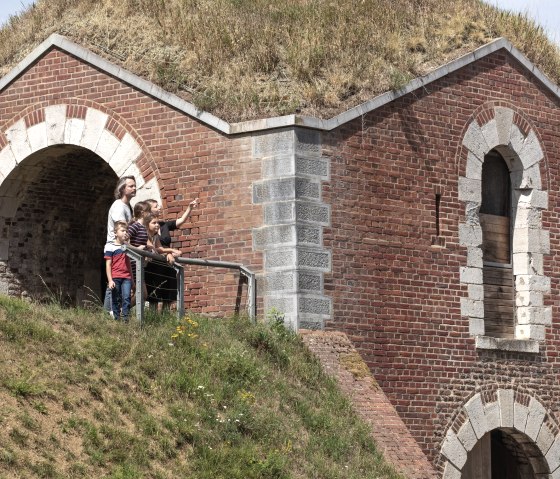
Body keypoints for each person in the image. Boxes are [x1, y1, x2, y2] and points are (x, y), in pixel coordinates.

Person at [145, 198, 199, 309]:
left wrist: (189, 208)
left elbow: (181, 220)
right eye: (156, 206)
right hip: (155, 265)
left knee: (168, 294)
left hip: (168, 264)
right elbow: (154, 246)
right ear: (149, 210)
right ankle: (152, 319)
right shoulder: (147, 227)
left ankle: (165, 319)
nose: (159, 207)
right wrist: (170, 252)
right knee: (154, 295)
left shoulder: (163, 225)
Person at [103, 176, 136, 312]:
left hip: (123, 248)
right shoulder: (118, 206)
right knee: (115, 281)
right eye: (131, 186)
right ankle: (108, 312)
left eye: (135, 186)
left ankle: (116, 311)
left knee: (122, 281)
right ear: (122, 189)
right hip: (115, 248)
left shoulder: (127, 206)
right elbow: (121, 229)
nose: (134, 188)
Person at [104, 221, 133, 322]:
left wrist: (132, 278)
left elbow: (129, 263)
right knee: (116, 298)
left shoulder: (127, 247)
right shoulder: (110, 246)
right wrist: (110, 280)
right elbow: (108, 264)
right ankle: (116, 319)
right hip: (116, 276)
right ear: (115, 233)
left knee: (126, 297)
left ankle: (125, 319)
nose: (125, 232)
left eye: (126, 230)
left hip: (126, 277)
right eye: (122, 230)